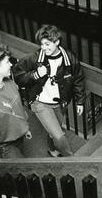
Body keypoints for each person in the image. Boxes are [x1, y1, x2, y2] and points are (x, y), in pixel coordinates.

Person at [13, 24, 85, 157]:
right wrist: (35, 75)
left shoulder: (68, 57)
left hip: (60, 102)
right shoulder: (34, 58)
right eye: (42, 44)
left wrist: (80, 101)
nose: (44, 48)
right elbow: (18, 76)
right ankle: (72, 159)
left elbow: (78, 79)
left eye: (47, 44)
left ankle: (52, 150)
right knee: (58, 135)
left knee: (53, 130)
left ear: (57, 42)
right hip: (40, 102)